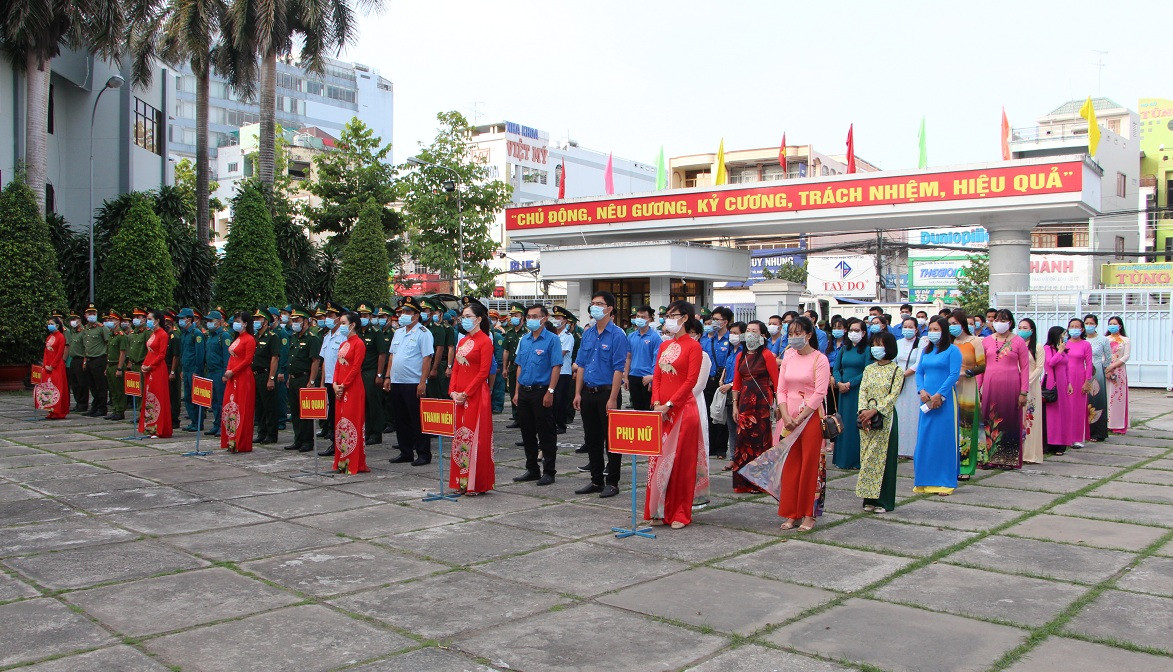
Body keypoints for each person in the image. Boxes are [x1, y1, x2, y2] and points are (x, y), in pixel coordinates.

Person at [645, 300, 704, 529]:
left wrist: (669, 404)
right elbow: (657, 376)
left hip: (683, 411)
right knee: (657, 461)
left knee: (680, 463)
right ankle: (658, 510)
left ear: (685, 318)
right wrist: (657, 402)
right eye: (667, 315)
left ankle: (679, 513)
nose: (668, 318)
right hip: (661, 411)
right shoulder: (664, 346)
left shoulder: (694, 347)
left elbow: (690, 381)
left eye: (673, 314)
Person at [573, 290, 630, 497]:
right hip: (588, 392)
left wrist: (613, 398)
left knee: (612, 440)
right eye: (593, 303)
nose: (594, 307)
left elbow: (618, 368)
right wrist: (577, 393)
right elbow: (581, 365)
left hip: (607, 393)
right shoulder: (587, 333)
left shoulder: (617, 335)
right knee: (592, 439)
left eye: (599, 304)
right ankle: (596, 480)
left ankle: (612, 482)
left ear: (609, 308)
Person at [776, 316, 830, 532]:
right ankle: (792, 512)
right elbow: (781, 388)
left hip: (811, 417)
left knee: (810, 465)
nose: (794, 338)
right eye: (790, 334)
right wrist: (785, 415)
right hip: (789, 417)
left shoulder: (820, 359)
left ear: (808, 334)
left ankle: (809, 513)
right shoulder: (788, 357)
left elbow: (820, 392)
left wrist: (802, 416)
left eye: (798, 333)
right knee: (791, 465)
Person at [512, 304, 563, 486]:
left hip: (542, 391)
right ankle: (532, 468)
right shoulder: (524, 340)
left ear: (544, 318)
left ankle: (549, 471)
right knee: (527, 433)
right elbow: (519, 366)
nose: (531, 319)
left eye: (535, 316)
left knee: (546, 433)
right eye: (529, 316)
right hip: (524, 391)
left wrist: (550, 391)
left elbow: (556, 366)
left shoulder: (552, 339)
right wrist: (517, 391)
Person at [912, 317, 962, 495]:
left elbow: (953, 375)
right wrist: (921, 390)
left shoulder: (952, 351)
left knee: (944, 439)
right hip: (926, 399)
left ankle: (945, 481)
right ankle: (924, 480)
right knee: (926, 439)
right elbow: (919, 372)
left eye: (936, 329)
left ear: (944, 331)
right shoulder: (926, 351)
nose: (932, 332)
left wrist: (939, 395)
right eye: (930, 329)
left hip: (944, 400)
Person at [450, 297, 495, 495]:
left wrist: (467, 393)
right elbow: (456, 369)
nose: (464, 320)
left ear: (478, 319)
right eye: (463, 317)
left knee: (475, 437)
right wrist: (453, 392)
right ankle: (461, 481)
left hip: (476, 396)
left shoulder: (485, 341)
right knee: (460, 438)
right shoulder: (463, 341)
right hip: (459, 396)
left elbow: (483, 372)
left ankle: (475, 483)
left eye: (468, 316)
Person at [383, 296, 435, 466]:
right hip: (397, 381)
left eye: (407, 312)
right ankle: (405, 452)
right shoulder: (398, 332)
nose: (403, 315)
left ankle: (423, 453)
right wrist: (388, 376)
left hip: (414, 382)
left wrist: (422, 382)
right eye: (402, 312)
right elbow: (392, 356)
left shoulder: (423, 333)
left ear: (416, 315)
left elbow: (427, 358)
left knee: (417, 420)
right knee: (401, 419)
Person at [856, 331, 904, 512]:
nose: (875, 348)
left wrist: (875, 410)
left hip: (885, 417)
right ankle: (869, 499)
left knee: (884, 459)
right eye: (874, 344)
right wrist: (863, 412)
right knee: (867, 458)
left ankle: (884, 500)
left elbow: (893, 395)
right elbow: (863, 391)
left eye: (880, 344)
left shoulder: (896, 371)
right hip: (866, 419)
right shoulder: (869, 369)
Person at [729, 320, 778, 492]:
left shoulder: (767, 355)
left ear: (762, 335)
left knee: (760, 440)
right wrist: (735, 405)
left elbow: (776, 381)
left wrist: (778, 405)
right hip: (744, 401)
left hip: (762, 400)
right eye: (748, 330)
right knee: (743, 440)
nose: (750, 334)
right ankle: (743, 481)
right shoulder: (740, 356)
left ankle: (760, 481)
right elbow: (736, 382)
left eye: (754, 331)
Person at [979, 309, 1029, 470]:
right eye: (998, 319)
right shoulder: (985, 341)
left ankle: (1008, 458)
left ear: (1010, 322)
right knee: (988, 420)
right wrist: (978, 388)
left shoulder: (1019, 341)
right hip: (990, 386)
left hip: (1011, 386)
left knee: (1009, 421)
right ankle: (988, 458)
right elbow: (982, 366)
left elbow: (1026, 367)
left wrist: (1023, 391)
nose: (1000, 322)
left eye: (1004, 319)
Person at [1045, 320, 1093, 453]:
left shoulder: (1086, 344)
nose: (1073, 330)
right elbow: (1051, 363)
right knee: (1063, 410)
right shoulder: (1057, 347)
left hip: (1077, 377)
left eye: (1077, 327)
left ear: (1082, 329)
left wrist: (1087, 381)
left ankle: (1077, 437)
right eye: (1071, 327)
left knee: (1077, 408)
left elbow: (1089, 363)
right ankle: (1063, 437)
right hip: (1060, 380)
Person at [949, 309, 985, 480]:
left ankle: (966, 466)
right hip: (950, 387)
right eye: (949, 324)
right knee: (951, 425)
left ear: (963, 324)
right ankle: (951, 464)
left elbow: (982, 366)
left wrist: (963, 374)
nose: (952, 327)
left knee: (967, 425)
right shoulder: (949, 343)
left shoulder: (975, 341)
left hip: (968, 387)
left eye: (955, 324)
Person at [332, 311, 369, 474]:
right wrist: (334, 384)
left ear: (352, 325)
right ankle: (341, 460)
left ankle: (354, 462)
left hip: (353, 388)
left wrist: (343, 385)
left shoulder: (358, 343)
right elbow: (338, 365)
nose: (341, 326)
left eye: (343, 323)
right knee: (340, 423)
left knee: (352, 422)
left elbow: (355, 368)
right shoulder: (342, 344)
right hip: (340, 387)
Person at [832, 317, 871, 470]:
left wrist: (850, 383)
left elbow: (867, 371)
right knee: (843, 423)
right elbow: (836, 368)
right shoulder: (844, 348)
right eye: (851, 330)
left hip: (857, 390)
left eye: (857, 330)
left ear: (863, 332)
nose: (853, 333)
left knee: (856, 423)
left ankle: (856, 459)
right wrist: (839, 382)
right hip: (843, 391)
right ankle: (842, 459)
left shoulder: (867, 350)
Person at [284, 307, 323, 453]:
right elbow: (292, 358)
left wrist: (312, 381)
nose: (294, 323)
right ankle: (298, 439)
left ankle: (307, 441)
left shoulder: (312, 338)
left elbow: (315, 361)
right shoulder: (294, 337)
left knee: (305, 413)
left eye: (297, 320)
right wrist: (289, 377)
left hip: (305, 377)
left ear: (305, 321)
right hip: (294, 378)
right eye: (293, 320)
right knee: (295, 411)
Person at [686, 319, 713, 508]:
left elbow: (697, 386)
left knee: (695, 448)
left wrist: (673, 400)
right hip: (672, 405)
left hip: (691, 404)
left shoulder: (703, 357)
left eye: (692, 333)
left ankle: (696, 494)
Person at [221, 312, 256, 453]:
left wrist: (233, 371)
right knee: (230, 407)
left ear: (246, 323)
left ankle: (241, 442)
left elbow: (247, 360)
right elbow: (232, 357)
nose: (235, 323)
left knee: (242, 408)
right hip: (232, 376)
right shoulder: (237, 338)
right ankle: (231, 439)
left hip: (243, 377)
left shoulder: (249, 340)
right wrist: (227, 372)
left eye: (238, 321)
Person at [702, 306, 734, 459]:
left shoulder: (731, 339)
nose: (713, 322)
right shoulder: (708, 339)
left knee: (722, 415)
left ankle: (721, 448)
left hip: (722, 382)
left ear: (725, 322)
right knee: (709, 413)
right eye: (712, 319)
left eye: (716, 319)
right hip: (709, 380)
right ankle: (711, 446)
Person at [355, 304, 387, 446]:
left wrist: (379, 374)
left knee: (374, 403)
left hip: (371, 371)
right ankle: (367, 432)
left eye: (366, 315)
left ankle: (376, 433)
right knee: (363, 403)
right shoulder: (356, 332)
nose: (363, 318)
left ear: (370, 316)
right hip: (359, 372)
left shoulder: (376, 332)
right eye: (360, 315)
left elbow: (381, 354)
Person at [139, 309, 173, 438]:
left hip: (158, 369)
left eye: (149, 319)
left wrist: (150, 366)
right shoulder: (152, 334)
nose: (147, 321)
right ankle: (149, 425)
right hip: (149, 368)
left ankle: (158, 428)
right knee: (149, 396)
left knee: (158, 396)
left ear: (157, 320)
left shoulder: (163, 334)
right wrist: (144, 365)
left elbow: (161, 355)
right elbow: (150, 352)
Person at [623, 305, 662, 412]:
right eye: (638, 316)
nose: (639, 319)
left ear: (649, 320)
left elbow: (657, 360)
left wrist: (652, 379)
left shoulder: (655, 338)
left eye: (643, 317)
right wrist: (626, 377)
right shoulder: (631, 336)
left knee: (648, 409)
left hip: (647, 378)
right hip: (633, 376)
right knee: (637, 409)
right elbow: (628, 357)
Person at [1018, 319, 1046, 464]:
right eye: (1020, 327)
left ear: (1032, 330)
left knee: (1030, 418)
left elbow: (1039, 367)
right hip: (1015, 385)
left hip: (1031, 386)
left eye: (1025, 327)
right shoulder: (1015, 345)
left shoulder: (1038, 347)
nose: (1022, 330)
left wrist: (1026, 382)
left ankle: (1030, 454)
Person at [251, 310, 280, 445]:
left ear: (266, 321)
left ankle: (271, 434)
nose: (256, 320)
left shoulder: (272, 337)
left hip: (266, 374)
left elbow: (274, 358)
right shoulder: (256, 336)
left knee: (269, 406)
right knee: (259, 406)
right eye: (255, 318)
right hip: (255, 374)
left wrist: (271, 378)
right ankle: (261, 432)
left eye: (259, 318)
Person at [894, 317, 922, 459]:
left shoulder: (921, 344)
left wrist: (904, 374)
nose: (907, 329)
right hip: (898, 382)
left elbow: (918, 363)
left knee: (913, 413)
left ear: (916, 329)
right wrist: (896, 376)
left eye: (910, 327)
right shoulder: (897, 343)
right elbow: (893, 361)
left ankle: (913, 448)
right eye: (905, 326)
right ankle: (899, 447)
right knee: (900, 412)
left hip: (913, 381)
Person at [317, 304, 345, 442]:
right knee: (331, 413)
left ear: (338, 318)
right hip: (328, 379)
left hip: (339, 381)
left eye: (330, 316)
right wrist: (322, 382)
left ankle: (338, 442)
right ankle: (333, 441)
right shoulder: (327, 336)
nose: (327, 319)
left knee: (339, 413)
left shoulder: (343, 336)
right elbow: (324, 361)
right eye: (326, 315)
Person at [718, 321, 745, 461]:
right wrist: (722, 379)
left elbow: (743, 373)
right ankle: (733, 456)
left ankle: (740, 456)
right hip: (727, 390)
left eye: (736, 333)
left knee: (739, 425)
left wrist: (731, 384)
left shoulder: (744, 351)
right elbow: (726, 367)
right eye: (731, 333)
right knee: (730, 426)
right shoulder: (730, 350)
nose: (732, 336)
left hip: (739, 391)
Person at [79, 304, 111, 417]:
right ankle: (95, 406)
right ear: (85, 315)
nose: (92, 315)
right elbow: (85, 346)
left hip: (99, 359)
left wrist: (107, 362)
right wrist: (84, 361)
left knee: (100, 385)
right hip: (89, 359)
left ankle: (102, 408)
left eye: (94, 313)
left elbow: (108, 344)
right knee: (92, 385)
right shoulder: (86, 329)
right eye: (89, 313)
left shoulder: (102, 328)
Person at [177, 308, 206, 432]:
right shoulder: (184, 333)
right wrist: (182, 369)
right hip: (186, 369)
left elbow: (200, 354)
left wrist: (197, 370)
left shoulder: (196, 333)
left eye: (182, 318)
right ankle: (193, 422)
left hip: (194, 369)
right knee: (188, 397)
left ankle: (198, 422)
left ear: (189, 319)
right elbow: (183, 352)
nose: (180, 321)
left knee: (196, 398)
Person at [203, 311, 232, 436]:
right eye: (208, 321)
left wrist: (226, 372)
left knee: (221, 400)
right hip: (211, 371)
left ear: (219, 321)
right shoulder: (210, 336)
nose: (209, 323)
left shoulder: (224, 336)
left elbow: (227, 356)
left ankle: (223, 425)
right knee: (214, 401)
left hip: (220, 371)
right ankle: (216, 424)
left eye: (211, 320)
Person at [1083, 313, 1110, 442]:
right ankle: (1083, 430)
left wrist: (1101, 367)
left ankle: (1097, 432)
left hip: (1097, 371)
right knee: (1083, 400)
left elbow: (1108, 358)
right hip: (1082, 370)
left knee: (1097, 401)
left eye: (1091, 323)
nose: (1089, 326)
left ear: (1096, 325)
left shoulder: (1103, 340)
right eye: (1086, 323)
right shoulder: (1081, 340)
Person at [37, 314, 69, 419]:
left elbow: (60, 353)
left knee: (57, 388)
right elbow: (46, 352)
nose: (49, 326)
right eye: (48, 324)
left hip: (57, 366)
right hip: (47, 366)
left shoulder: (61, 337)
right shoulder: (49, 337)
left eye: (52, 324)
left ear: (57, 325)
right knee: (48, 388)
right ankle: (50, 410)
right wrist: (45, 364)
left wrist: (52, 365)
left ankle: (59, 411)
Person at [550, 306, 576, 434]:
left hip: (563, 372)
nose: (556, 320)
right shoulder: (551, 335)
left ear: (565, 321)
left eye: (558, 318)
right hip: (552, 372)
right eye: (554, 317)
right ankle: (553, 423)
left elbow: (561, 353)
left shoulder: (567, 336)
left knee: (560, 400)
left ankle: (561, 425)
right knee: (552, 400)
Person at [502, 302, 526, 429]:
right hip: (512, 366)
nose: (513, 318)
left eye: (516, 315)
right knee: (512, 392)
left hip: (524, 366)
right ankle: (516, 417)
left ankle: (524, 417)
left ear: (522, 317)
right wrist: (505, 367)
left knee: (522, 391)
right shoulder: (509, 333)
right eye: (512, 315)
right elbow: (506, 351)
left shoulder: (527, 332)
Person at [1105, 316, 1130, 434]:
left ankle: (1117, 424)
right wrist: (1107, 368)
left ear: (1120, 326)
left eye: (1114, 324)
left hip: (1119, 371)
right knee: (1106, 396)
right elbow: (1102, 355)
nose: (1112, 326)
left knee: (1118, 397)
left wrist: (1113, 366)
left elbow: (1126, 356)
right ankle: (1106, 423)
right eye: (1110, 323)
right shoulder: (1105, 339)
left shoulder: (1125, 340)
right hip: (1106, 371)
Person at [102, 312, 128, 421]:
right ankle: (115, 409)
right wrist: (107, 366)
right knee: (112, 389)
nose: (110, 322)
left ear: (118, 322)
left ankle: (120, 411)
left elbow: (122, 353)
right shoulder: (111, 335)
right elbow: (109, 352)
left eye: (112, 320)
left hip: (117, 365)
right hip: (110, 365)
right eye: (109, 320)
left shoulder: (122, 336)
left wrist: (119, 368)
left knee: (119, 390)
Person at [66, 311, 87, 413]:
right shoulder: (73, 332)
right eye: (71, 319)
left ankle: (83, 404)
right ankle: (78, 402)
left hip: (80, 359)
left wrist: (84, 361)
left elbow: (86, 348)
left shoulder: (84, 331)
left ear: (80, 320)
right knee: (74, 384)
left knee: (82, 383)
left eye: (75, 319)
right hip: (73, 359)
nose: (72, 321)